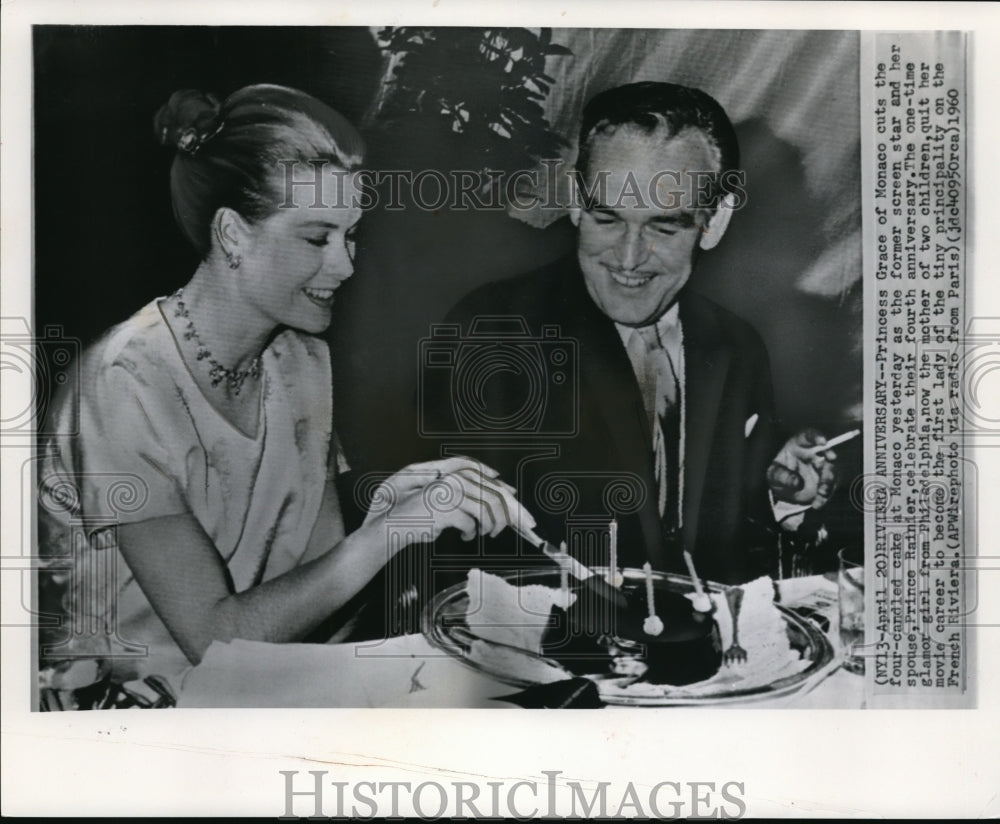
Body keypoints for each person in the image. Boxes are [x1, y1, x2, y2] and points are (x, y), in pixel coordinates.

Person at [37, 84, 530, 701]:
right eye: (316, 238)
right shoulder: (121, 382)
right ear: (233, 234)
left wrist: (378, 516)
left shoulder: (301, 361)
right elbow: (218, 642)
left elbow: (312, 616)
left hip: (247, 707)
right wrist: (384, 537)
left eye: (351, 236)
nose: (346, 265)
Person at [436, 82, 838, 585]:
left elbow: (725, 538)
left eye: (663, 228)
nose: (628, 259)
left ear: (714, 222)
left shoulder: (736, 346)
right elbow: (462, 553)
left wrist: (779, 493)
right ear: (577, 202)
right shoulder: (492, 331)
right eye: (607, 218)